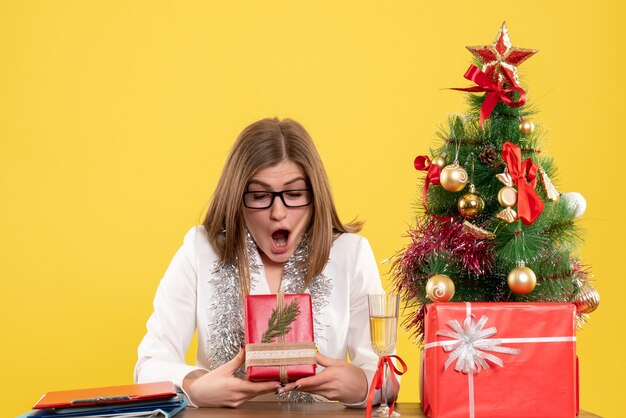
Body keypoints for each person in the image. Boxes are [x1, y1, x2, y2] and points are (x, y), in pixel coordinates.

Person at [134, 118, 391, 408]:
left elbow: (387, 377)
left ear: (314, 196)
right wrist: (196, 386)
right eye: (259, 196)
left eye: (294, 194)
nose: (278, 213)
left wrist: (363, 385)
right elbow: (149, 365)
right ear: (237, 200)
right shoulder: (199, 248)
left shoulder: (351, 253)